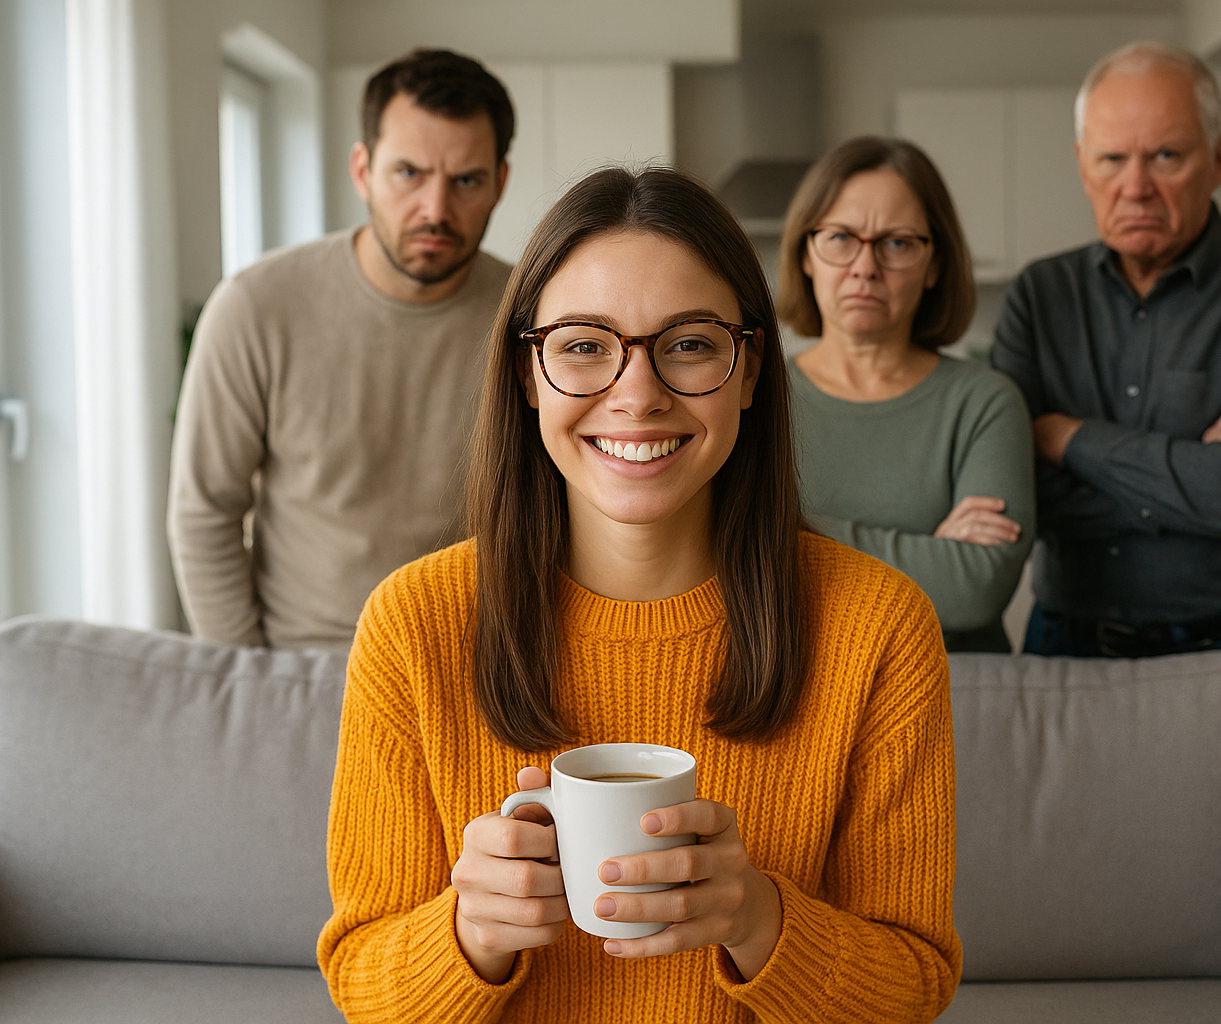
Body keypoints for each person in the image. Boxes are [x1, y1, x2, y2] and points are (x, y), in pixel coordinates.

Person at [316, 167, 961, 1022]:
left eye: (689, 343)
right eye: (584, 345)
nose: (637, 394)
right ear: (525, 373)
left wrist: (759, 919)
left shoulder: (879, 629)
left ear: (751, 368)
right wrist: (468, 935)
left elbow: (914, 989)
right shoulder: (412, 624)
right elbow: (360, 983)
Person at [991, 42, 1221, 753]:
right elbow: (1013, 493)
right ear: (1082, 162)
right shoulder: (1038, 295)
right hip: (1071, 645)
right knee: (1066, 865)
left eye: (1167, 157)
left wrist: (1065, 439)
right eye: (1112, 159)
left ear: (1220, 156)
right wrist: (1198, 467)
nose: (1136, 186)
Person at [167, 48, 514, 648]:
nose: (436, 209)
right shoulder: (256, 307)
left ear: (499, 183)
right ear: (363, 171)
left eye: (465, 181)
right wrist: (250, 678)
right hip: (308, 665)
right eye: (408, 173)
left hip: (475, 663)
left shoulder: (533, 314)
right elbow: (204, 512)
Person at [778, 137, 1035, 652]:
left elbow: (974, 591)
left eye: (897, 242)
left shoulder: (986, 402)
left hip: (959, 703)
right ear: (807, 253)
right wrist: (933, 554)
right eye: (841, 237)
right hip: (798, 700)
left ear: (934, 264)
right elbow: (718, 564)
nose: (865, 266)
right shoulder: (755, 398)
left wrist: (788, 533)